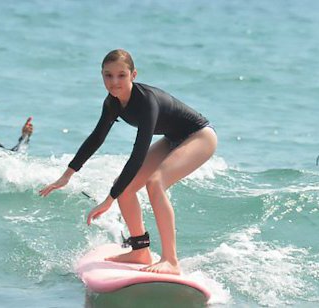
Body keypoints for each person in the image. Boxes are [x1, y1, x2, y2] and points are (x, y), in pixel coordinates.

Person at [39, 49, 217, 275]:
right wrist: (67, 174)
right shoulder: (112, 103)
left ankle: (171, 260)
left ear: (133, 75)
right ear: (102, 75)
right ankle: (140, 250)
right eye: (108, 75)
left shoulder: (146, 101)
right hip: (172, 138)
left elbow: (138, 153)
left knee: (155, 182)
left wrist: (108, 199)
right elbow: (96, 138)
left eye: (121, 75)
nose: (114, 82)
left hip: (199, 136)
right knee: (125, 188)